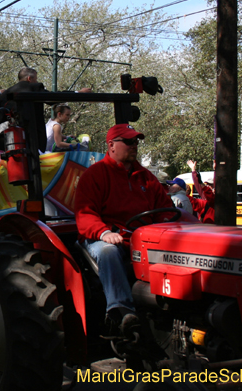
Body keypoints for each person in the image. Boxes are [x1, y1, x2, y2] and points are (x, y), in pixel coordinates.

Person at [74, 124, 174, 336]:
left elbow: (165, 210)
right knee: (107, 251)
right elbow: (85, 214)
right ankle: (120, 311)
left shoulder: (146, 177)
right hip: (105, 237)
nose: (134, 146)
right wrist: (104, 233)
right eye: (128, 142)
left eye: (136, 142)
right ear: (111, 145)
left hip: (142, 238)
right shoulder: (95, 175)